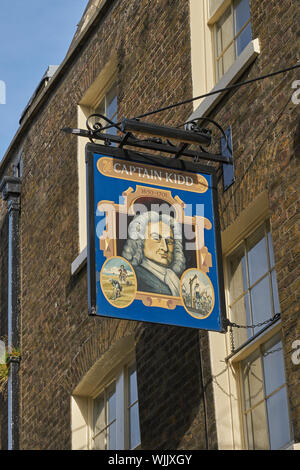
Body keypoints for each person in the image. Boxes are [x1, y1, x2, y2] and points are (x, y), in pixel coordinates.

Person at [122, 211, 186, 296]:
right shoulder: (135, 277)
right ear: (140, 242)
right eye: (156, 238)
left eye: (169, 241)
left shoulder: (174, 279)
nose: (165, 248)